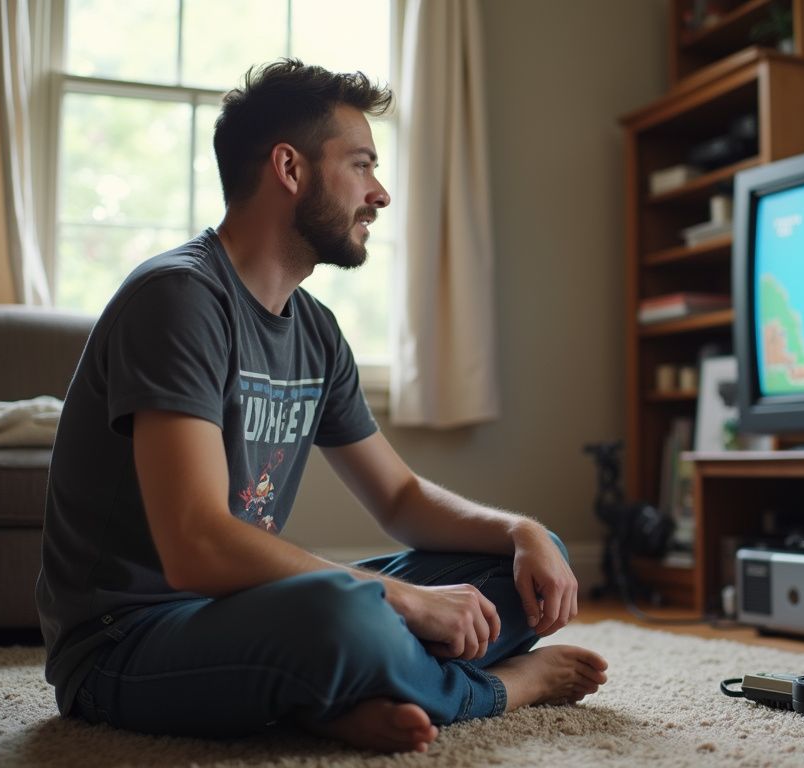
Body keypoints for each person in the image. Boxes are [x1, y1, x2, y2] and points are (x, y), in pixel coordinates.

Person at [34, 59, 608, 754]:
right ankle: (502, 687)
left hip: (246, 615)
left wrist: (522, 530)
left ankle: (317, 696)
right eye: (362, 165)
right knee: (350, 620)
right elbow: (196, 545)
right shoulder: (178, 300)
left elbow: (398, 497)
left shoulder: (314, 329)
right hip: (127, 641)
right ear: (289, 168)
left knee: (516, 575)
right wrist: (399, 599)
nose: (381, 193)